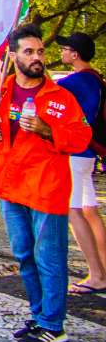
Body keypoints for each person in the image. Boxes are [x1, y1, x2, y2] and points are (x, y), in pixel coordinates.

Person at [0, 24, 94, 342]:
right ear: (13, 57)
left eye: (40, 51)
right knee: (24, 254)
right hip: (10, 186)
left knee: (49, 256)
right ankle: (39, 315)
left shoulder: (60, 97)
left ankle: (53, 323)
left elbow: (82, 137)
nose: (37, 57)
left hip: (46, 188)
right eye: (29, 52)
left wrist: (48, 130)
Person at [56, 32, 106, 296]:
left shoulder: (71, 82)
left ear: (75, 54)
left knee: (74, 211)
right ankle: (102, 269)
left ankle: (96, 275)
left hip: (74, 151)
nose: (62, 53)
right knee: (89, 210)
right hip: (88, 151)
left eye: (65, 49)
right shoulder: (95, 79)